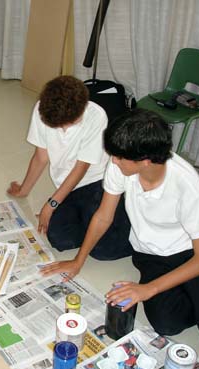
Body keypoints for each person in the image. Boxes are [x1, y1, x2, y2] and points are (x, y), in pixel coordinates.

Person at [41, 109, 199, 347]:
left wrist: (148, 290)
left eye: (119, 157)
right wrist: (79, 260)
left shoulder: (187, 187)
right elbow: (103, 216)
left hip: (193, 253)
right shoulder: (122, 167)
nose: (113, 160)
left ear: (145, 161)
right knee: (167, 324)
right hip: (151, 255)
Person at [8, 75, 132, 260]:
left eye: (67, 124)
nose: (61, 129)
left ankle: (121, 215)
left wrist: (51, 205)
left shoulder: (96, 116)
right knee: (59, 240)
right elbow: (41, 156)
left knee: (103, 251)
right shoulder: (44, 109)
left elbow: (81, 168)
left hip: (97, 182)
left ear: (83, 109)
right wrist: (24, 190)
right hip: (67, 185)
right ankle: (93, 222)